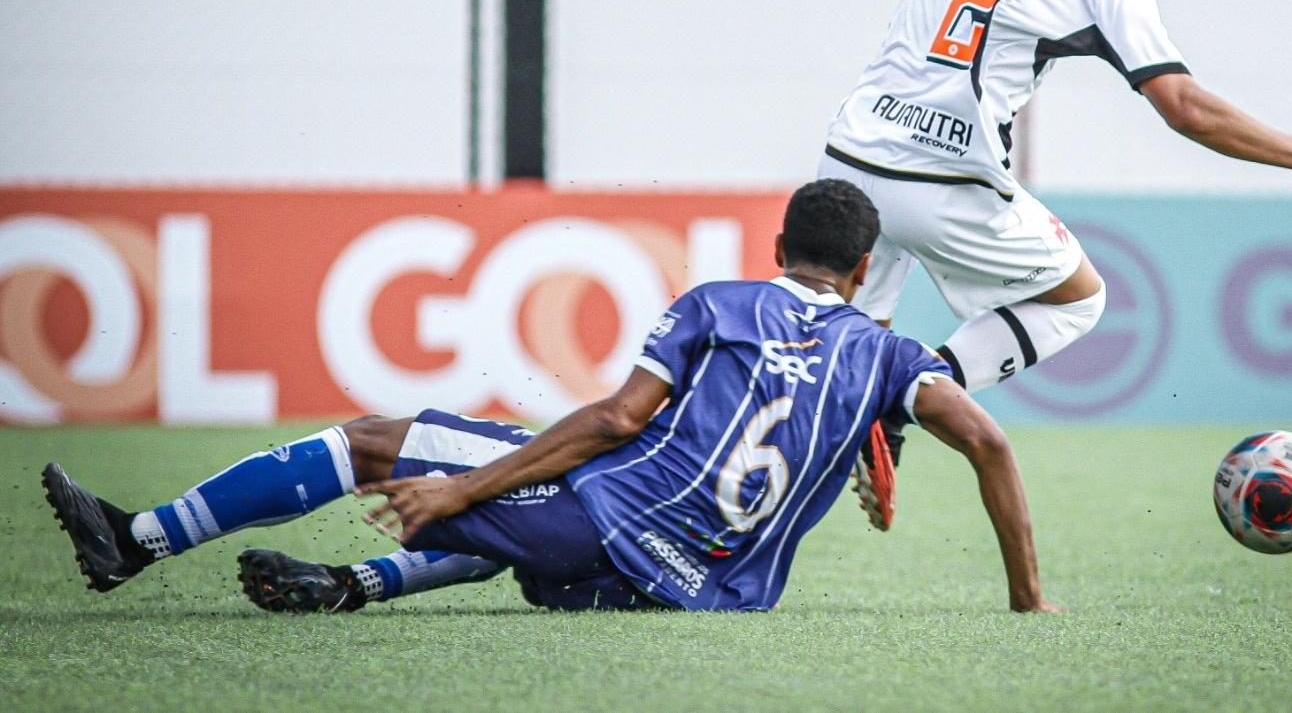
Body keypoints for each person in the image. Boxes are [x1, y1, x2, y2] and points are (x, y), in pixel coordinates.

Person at [667, 0, 1292, 525]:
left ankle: (707, 478)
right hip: (946, 180)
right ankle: (913, 392)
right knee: (1076, 300)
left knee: (834, 351)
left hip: (852, 155)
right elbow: (1184, 107)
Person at [42, 181, 1057, 616]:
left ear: (777, 251)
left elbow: (617, 418)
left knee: (381, 443)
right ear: (865, 267)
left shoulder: (722, 300)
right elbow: (992, 446)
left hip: (615, 535)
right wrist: (1027, 597)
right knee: (532, 500)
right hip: (715, 595)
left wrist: (463, 484)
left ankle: (140, 539)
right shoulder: (888, 356)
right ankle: (356, 585)